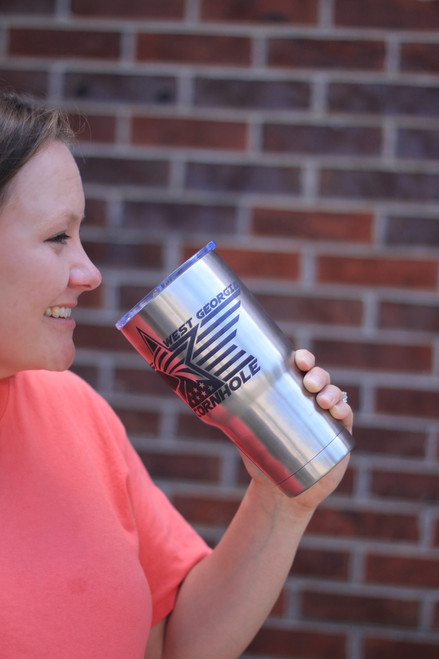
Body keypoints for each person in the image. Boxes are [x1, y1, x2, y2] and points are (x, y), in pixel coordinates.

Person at [0, 89, 353, 659]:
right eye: (57, 236)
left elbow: (176, 643)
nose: (90, 272)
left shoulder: (73, 410)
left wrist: (282, 501)